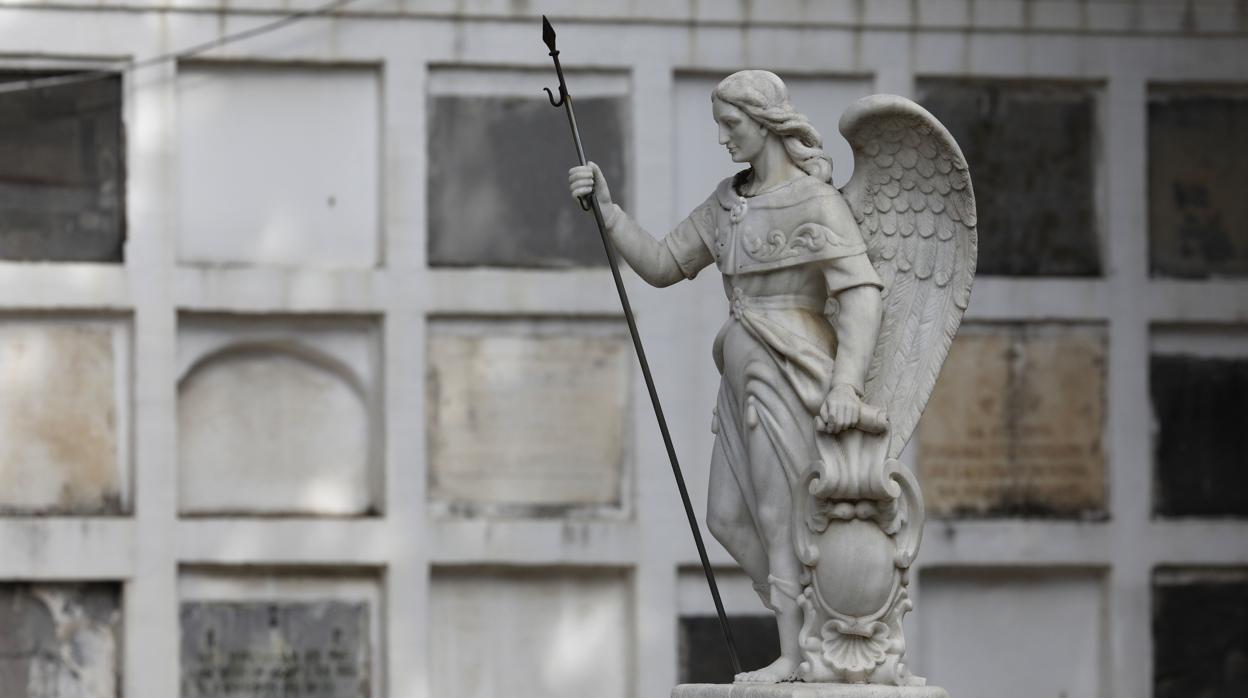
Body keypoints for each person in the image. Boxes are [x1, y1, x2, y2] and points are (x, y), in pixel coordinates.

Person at [568, 70, 884, 684]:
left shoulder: (816, 203)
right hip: (740, 378)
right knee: (727, 517)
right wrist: (607, 212)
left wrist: (847, 383)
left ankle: (795, 653)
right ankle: (812, 620)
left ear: (765, 124)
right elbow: (663, 264)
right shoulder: (727, 202)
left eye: (731, 124)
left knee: (776, 509)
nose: (722, 137)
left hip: (791, 374)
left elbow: (862, 293)